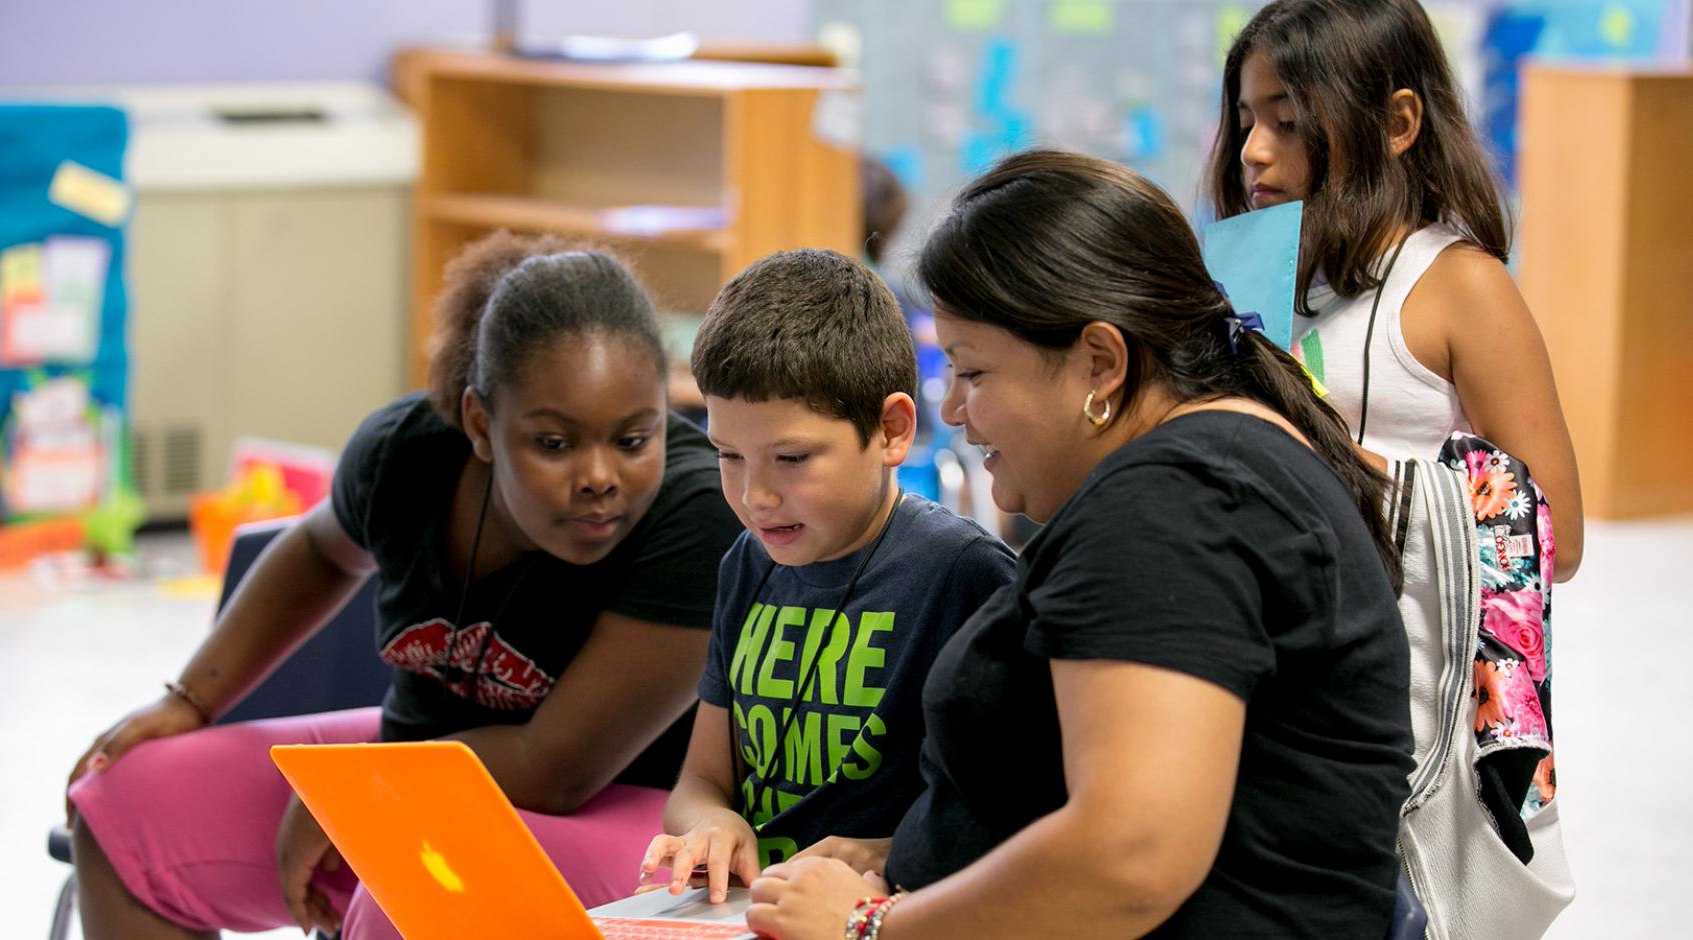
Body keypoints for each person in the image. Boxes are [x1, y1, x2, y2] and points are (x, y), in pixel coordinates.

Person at [741, 150, 1415, 939]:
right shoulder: (1208, 468)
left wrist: (872, 928)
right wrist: (919, 855)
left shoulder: (1172, 504)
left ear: (1100, 362)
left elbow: (1129, 860)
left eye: (974, 372)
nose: (954, 409)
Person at [65, 231, 742, 939]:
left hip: (639, 820)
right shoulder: (407, 454)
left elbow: (556, 769)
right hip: (419, 776)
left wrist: (365, 790)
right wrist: (192, 699)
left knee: (416, 893)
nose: (600, 476)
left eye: (634, 440)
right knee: (121, 805)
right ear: (482, 423)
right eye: (553, 443)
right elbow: (322, 550)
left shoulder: (694, 518)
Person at [638, 248, 1015, 904]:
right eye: (728, 455)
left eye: (791, 457)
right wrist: (714, 825)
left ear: (892, 430)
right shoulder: (747, 564)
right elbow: (699, 782)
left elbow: (1015, 818)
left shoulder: (966, 576)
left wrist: (894, 851)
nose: (756, 496)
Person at [1206, 0, 1583, 579]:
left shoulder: (1461, 285)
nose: (1253, 150)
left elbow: (1555, 539)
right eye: (1246, 120)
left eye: (1288, 123)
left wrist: (1307, 454)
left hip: (1406, 664)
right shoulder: (1254, 274)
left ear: (1396, 124)